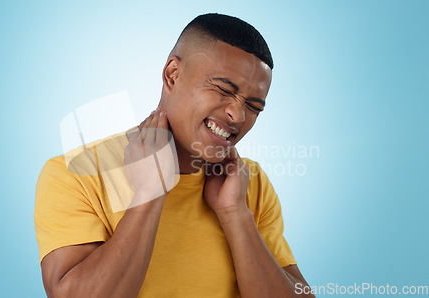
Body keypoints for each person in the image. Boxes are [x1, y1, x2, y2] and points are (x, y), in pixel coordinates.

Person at [35, 13, 314, 297]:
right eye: (222, 89)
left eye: (254, 106)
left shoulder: (249, 183)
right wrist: (150, 193)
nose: (238, 114)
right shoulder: (76, 173)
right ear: (172, 74)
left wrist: (236, 215)